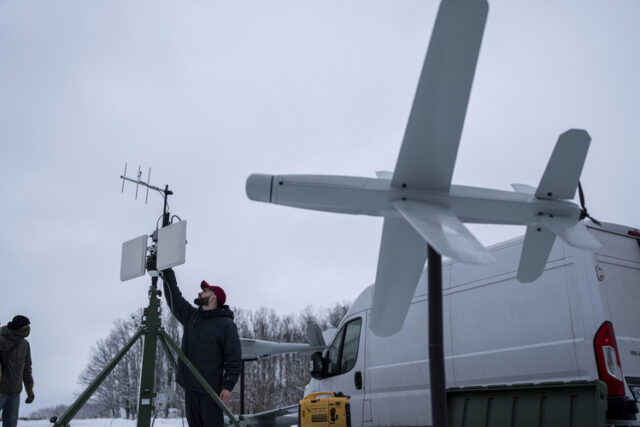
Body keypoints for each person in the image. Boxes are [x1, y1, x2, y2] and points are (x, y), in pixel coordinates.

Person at [162, 268, 242, 427]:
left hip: (211, 392)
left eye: (204, 291)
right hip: (190, 390)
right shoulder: (192, 316)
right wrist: (167, 272)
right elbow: (175, 299)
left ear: (213, 299)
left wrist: (227, 386)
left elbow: (234, 359)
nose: (200, 293)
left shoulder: (226, 325)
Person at [0, 315, 34, 427]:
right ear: (19, 327)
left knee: (11, 425)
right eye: (26, 326)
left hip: (15, 392)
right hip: (1, 390)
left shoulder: (25, 344)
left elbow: (27, 369)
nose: (28, 328)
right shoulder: (1, 339)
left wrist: (29, 390)